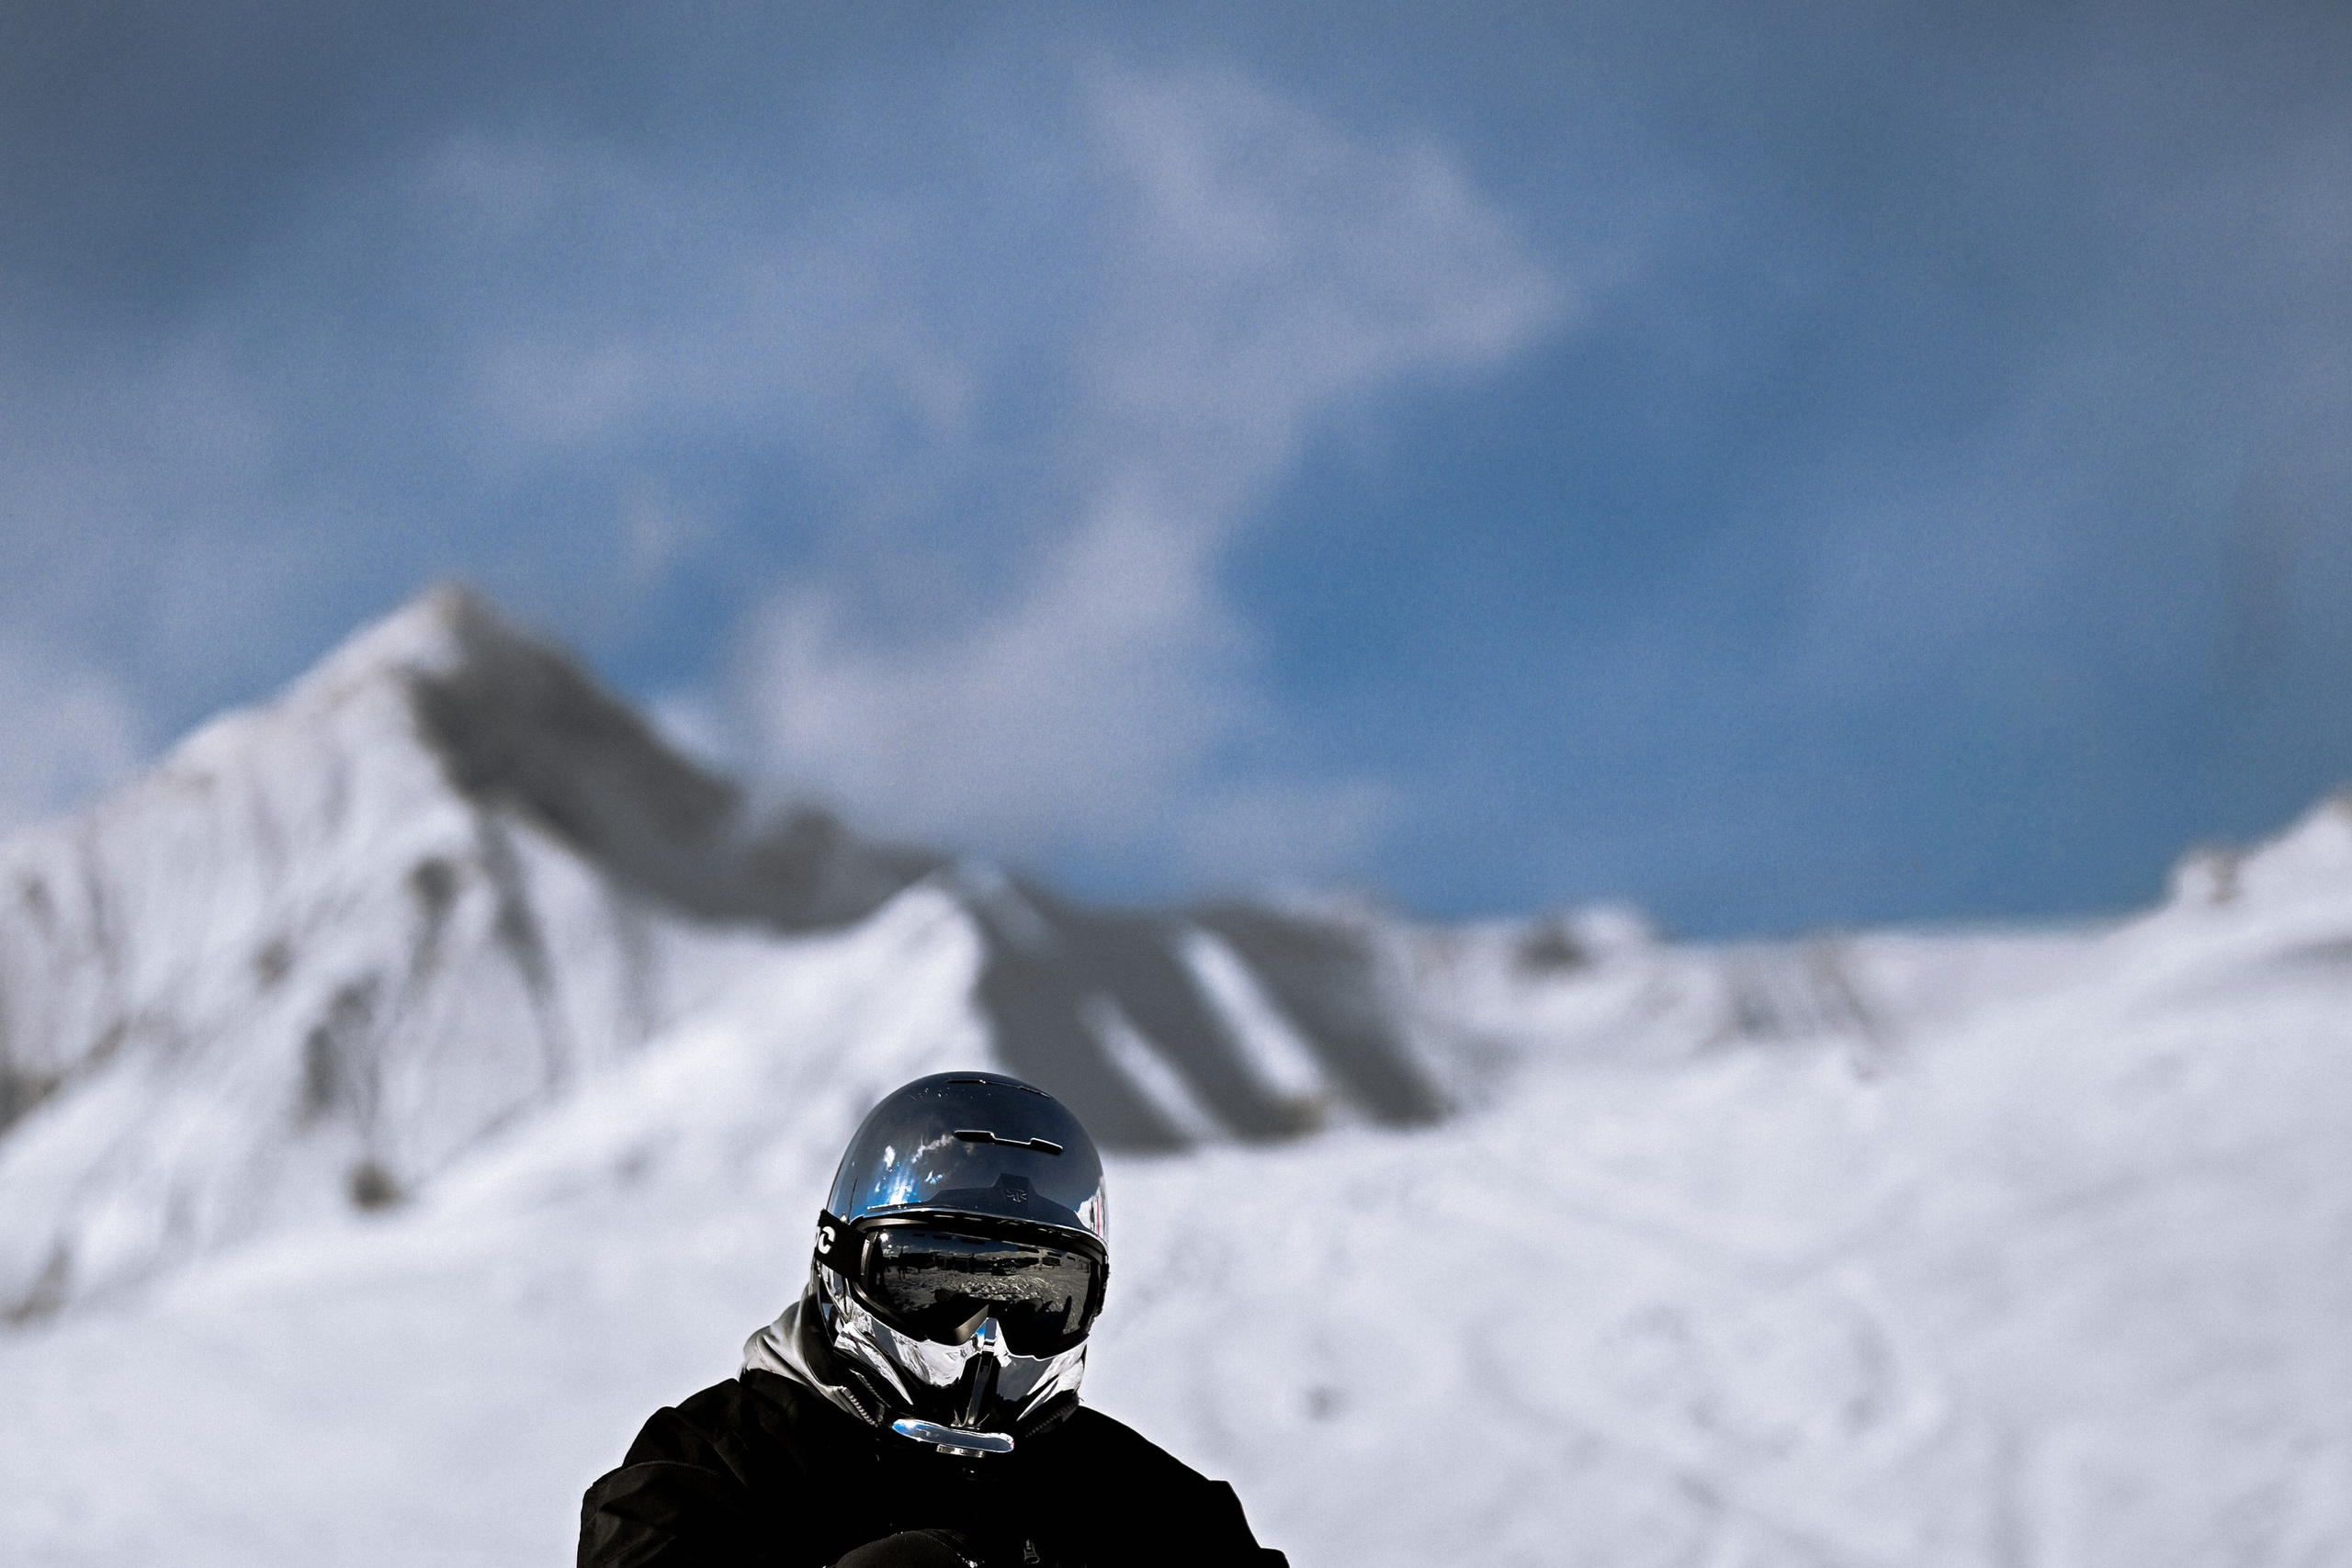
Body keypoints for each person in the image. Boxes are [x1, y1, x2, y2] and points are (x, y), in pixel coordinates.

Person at [579, 1070, 1289, 1568]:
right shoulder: (713, 1463)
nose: (985, 1338)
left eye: (1040, 1301)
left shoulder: (1150, 1504)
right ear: (844, 1262)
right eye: (935, 1284)